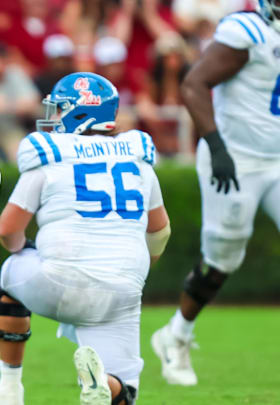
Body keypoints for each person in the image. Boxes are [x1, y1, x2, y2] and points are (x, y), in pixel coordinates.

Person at [0, 72, 170, 405]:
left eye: (59, 109)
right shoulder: (139, 161)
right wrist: (144, 265)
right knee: (125, 394)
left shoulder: (51, 155)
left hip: (59, 284)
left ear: (77, 112)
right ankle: (104, 384)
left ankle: (9, 391)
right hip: (123, 291)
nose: (53, 117)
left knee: (13, 270)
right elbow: (159, 230)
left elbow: (7, 231)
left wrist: (25, 250)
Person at [151, 2, 280, 386]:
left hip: (276, 159)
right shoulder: (248, 33)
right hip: (236, 157)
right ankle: (176, 335)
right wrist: (217, 145)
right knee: (222, 259)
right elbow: (193, 84)